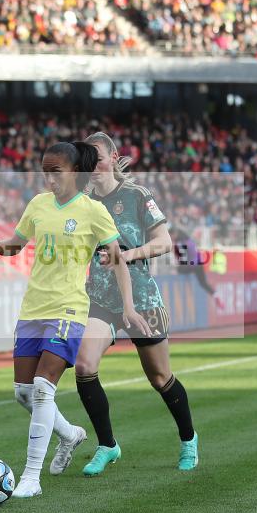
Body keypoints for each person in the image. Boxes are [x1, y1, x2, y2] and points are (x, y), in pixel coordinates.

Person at [0, 141, 151, 498]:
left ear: (75, 172)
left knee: (42, 389)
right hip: (33, 309)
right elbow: (17, 244)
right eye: (45, 170)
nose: (49, 177)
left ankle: (30, 478)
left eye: (55, 171)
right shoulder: (38, 204)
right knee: (23, 393)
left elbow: (118, 260)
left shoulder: (93, 211)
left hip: (69, 309)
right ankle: (70, 434)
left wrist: (129, 308)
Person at [75, 132, 199, 477]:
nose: (92, 165)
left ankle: (188, 439)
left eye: (97, 157)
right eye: (86, 159)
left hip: (141, 296)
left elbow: (164, 242)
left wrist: (127, 254)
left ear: (114, 158)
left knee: (160, 377)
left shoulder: (136, 195)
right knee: (84, 366)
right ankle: (107, 445)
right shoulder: (82, 201)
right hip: (99, 297)